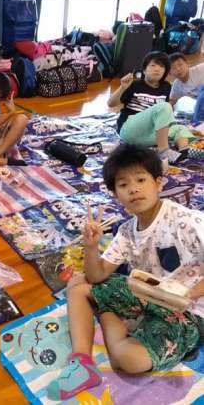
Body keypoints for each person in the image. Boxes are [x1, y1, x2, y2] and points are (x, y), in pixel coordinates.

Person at [47, 144, 204, 401]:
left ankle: (110, 316)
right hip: (146, 295)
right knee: (77, 284)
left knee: (128, 360)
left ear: (159, 183)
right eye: (123, 184)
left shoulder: (187, 221)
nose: (133, 189)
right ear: (114, 194)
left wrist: (188, 293)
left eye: (141, 180)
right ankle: (82, 363)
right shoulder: (126, 231)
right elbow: (96, 275)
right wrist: (91, 247)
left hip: (188, 311)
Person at [108, 51, 194, 164]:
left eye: (161, 66)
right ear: (144, 70)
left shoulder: (167, 87)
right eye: (153, 65)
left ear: (165, 71)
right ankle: (163, 150)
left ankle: (184, 153)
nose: (157, 69)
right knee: (164, 106)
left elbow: (167, 115)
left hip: (149, 135)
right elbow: (111, 104)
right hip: (130, 130)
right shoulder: (135, 85)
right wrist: (122, 87)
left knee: (180, 128)